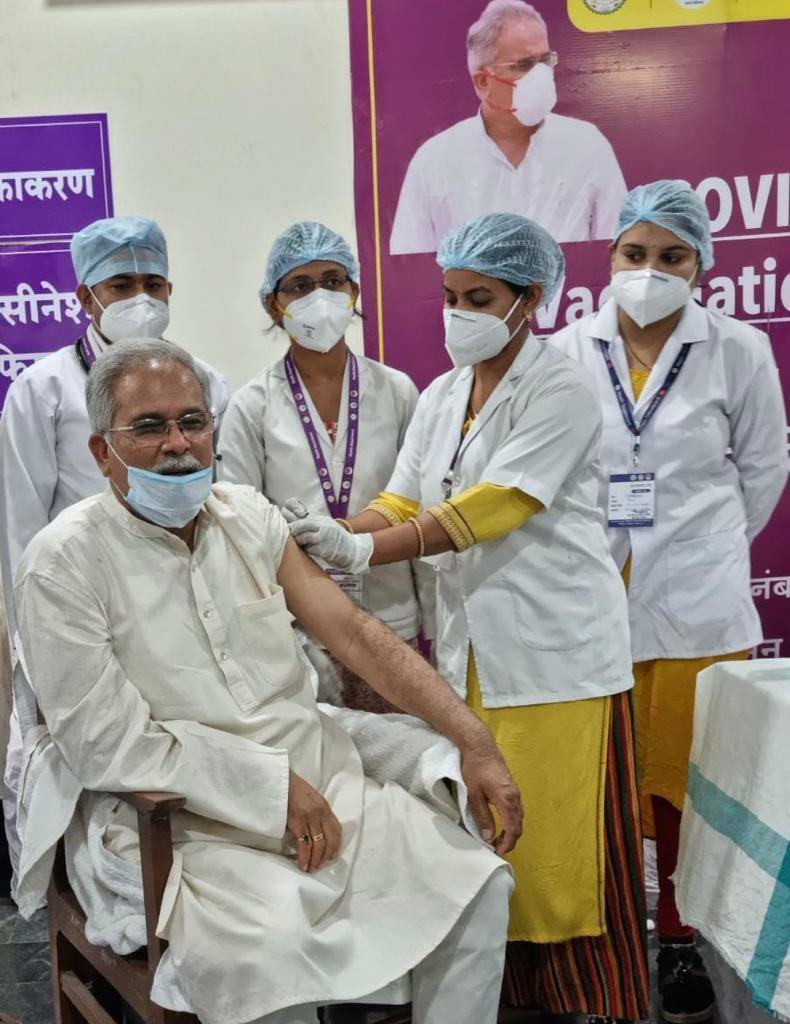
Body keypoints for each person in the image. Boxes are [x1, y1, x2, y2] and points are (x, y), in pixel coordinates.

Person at [13, 338, 521, 1024]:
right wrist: (270, 788)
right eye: (149, 426)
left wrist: (473, 740)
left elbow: (353, 633)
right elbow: (105, 744)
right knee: (268, 962)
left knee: (477, 889)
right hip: (190, 826)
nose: (178, 444)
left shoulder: (247, 515)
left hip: (329, 787)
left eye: (192, 421)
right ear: (102, 453)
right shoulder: (62, 563)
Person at [286, 213, 650, 1024]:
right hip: (472, 654)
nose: (459, 314)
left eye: (479, 299)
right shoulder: (446, 392)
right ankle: (504, 999)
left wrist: (361, 553)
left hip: (556, 656)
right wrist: (338, 532)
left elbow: (495, 507)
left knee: (559, 852)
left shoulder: (560, 390)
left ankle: (585, 1005)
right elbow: (402, 499)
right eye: (451, 296)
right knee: (490, 833)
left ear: (530, 298)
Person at [551, 180, 788, 1024]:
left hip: (698, 597)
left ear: (700, 264)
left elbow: (764, 465)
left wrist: (705, 546)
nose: (650, 270)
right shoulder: (566, 350)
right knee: (606, 777)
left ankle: (682, 937)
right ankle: (613, 940)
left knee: (690, 780)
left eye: (671, 256)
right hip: (594, 590)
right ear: (610, 255)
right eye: (635, 253)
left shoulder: (738, 348)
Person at [0, 215, 229, 885]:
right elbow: (19, 525)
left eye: (153, 283)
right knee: (75, 764)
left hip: (175, 605)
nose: (141, 298)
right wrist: (32, 645)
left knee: (173, 755)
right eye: (122, 285)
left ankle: (183, 875)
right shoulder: (44, 389)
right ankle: (77, 892)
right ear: (85, 297)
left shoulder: (203, 380)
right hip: (75, 605)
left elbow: (220, 501)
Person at [219, 222, 432, 710]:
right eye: (299, 285)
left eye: (333, 281)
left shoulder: (397, 391)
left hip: (392, 616)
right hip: (301, 626)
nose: (319, 296)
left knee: (405, 749)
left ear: (354, 291)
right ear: (274, 304)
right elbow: (240, 529)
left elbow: (419, 508)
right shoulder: (252, 406)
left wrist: (434, 622)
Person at [389, 0, 626, 255]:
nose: (541, 75)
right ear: (483, 82)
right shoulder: (435, 161)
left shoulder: (587, 145)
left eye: (546, 60)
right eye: (524, 65)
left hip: (572, 283)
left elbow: (621, 249)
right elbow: (408, 265)